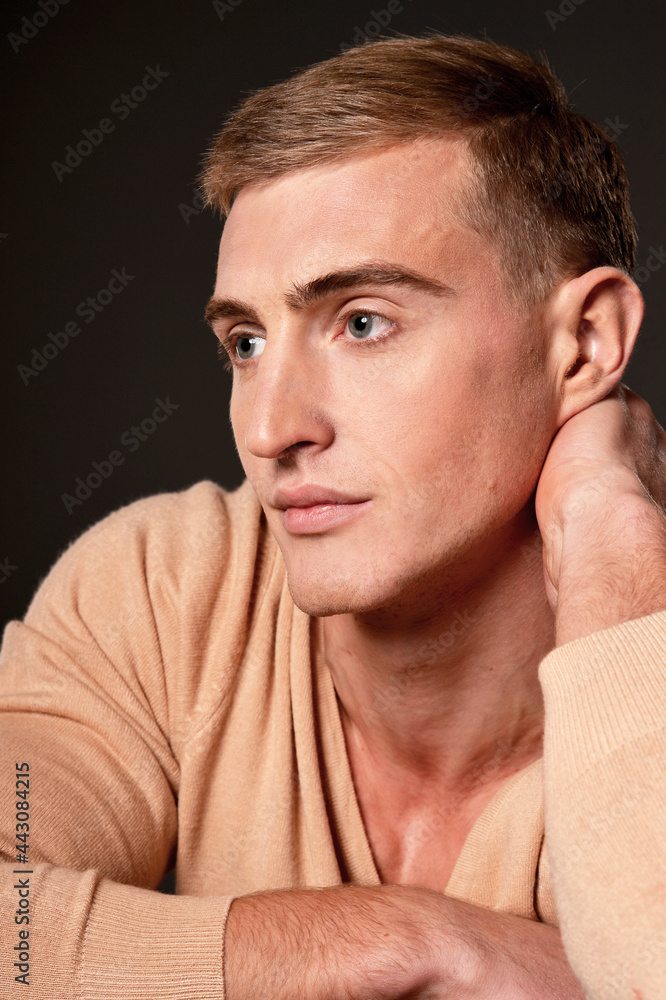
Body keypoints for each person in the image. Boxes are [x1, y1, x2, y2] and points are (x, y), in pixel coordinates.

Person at [1, 31, 665, 1000]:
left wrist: (612, 537)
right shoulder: (165, 587)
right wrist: (407, 941)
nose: (270, 428)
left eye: (361, 321)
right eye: (246, 341)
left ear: (585, 345)